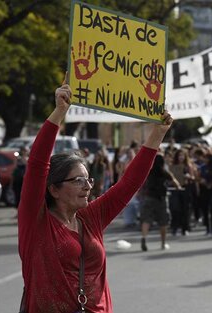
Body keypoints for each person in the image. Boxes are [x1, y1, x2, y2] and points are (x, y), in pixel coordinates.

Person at [17, 81, 173, 312]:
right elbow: (38, 164)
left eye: (88, 179)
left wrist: (157, 134)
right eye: (77, 180)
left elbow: (129, 184)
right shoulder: (36, 220)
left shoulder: (91, 217)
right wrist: (59, 112)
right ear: (53, 189)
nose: (87, 186)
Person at [140, 154, 181, 251]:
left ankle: (144, 237)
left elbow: (143, 184)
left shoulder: (149, 172)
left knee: (146, 219)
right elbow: (176, 183)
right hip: (161, 199)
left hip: (149, 197)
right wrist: (177, 187)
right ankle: (163, 243)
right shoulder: (165, 173)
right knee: (163, 221)